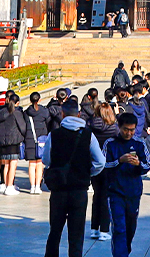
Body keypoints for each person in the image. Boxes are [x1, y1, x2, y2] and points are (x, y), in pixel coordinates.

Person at [43, 99, 106, 257]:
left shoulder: (54, 134)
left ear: (63, 114)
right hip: (79, 190)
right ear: (79, 114)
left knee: (55, 232)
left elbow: (46, 160)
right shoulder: (88, 135)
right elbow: (100, 161)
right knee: (76, 235)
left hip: (59, 190)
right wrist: (88, 172)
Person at [103, 112, 150, 257]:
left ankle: (125, 251)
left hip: (133, 192)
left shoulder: (139, 143)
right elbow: (103, 166)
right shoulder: (110, 144)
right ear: (119, 127)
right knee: (119, 228)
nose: (129, 133)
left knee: (130, 227)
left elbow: (148, 165)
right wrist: (119, 161)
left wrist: (138, 164)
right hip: (115, 191)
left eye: (132, 130)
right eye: (125, 129)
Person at [87, 98, 119, 239]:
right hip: (109, 166)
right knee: (106, 197)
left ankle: (94, 228)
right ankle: (104, 230)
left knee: (97, 196)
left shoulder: (90, 127)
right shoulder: (114, 128)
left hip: (94, 165)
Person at [0, 77, 27, 195]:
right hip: (14, 140)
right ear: (17, 103)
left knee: (5, 164)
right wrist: (23, 137)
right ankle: (10, 185)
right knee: (13, 164)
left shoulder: (0, 111)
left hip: (2, 140)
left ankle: (4, 184)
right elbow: (23, 127)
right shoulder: (17, 112)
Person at [24, 90, 49, 193]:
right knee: (39, 164)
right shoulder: (44, 111)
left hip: (30, 138)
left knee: (32, 164)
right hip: (41, 139)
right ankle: (38, 186)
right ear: (40, 100)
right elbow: (48, 122)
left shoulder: (26, 112)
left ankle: (32, 186)